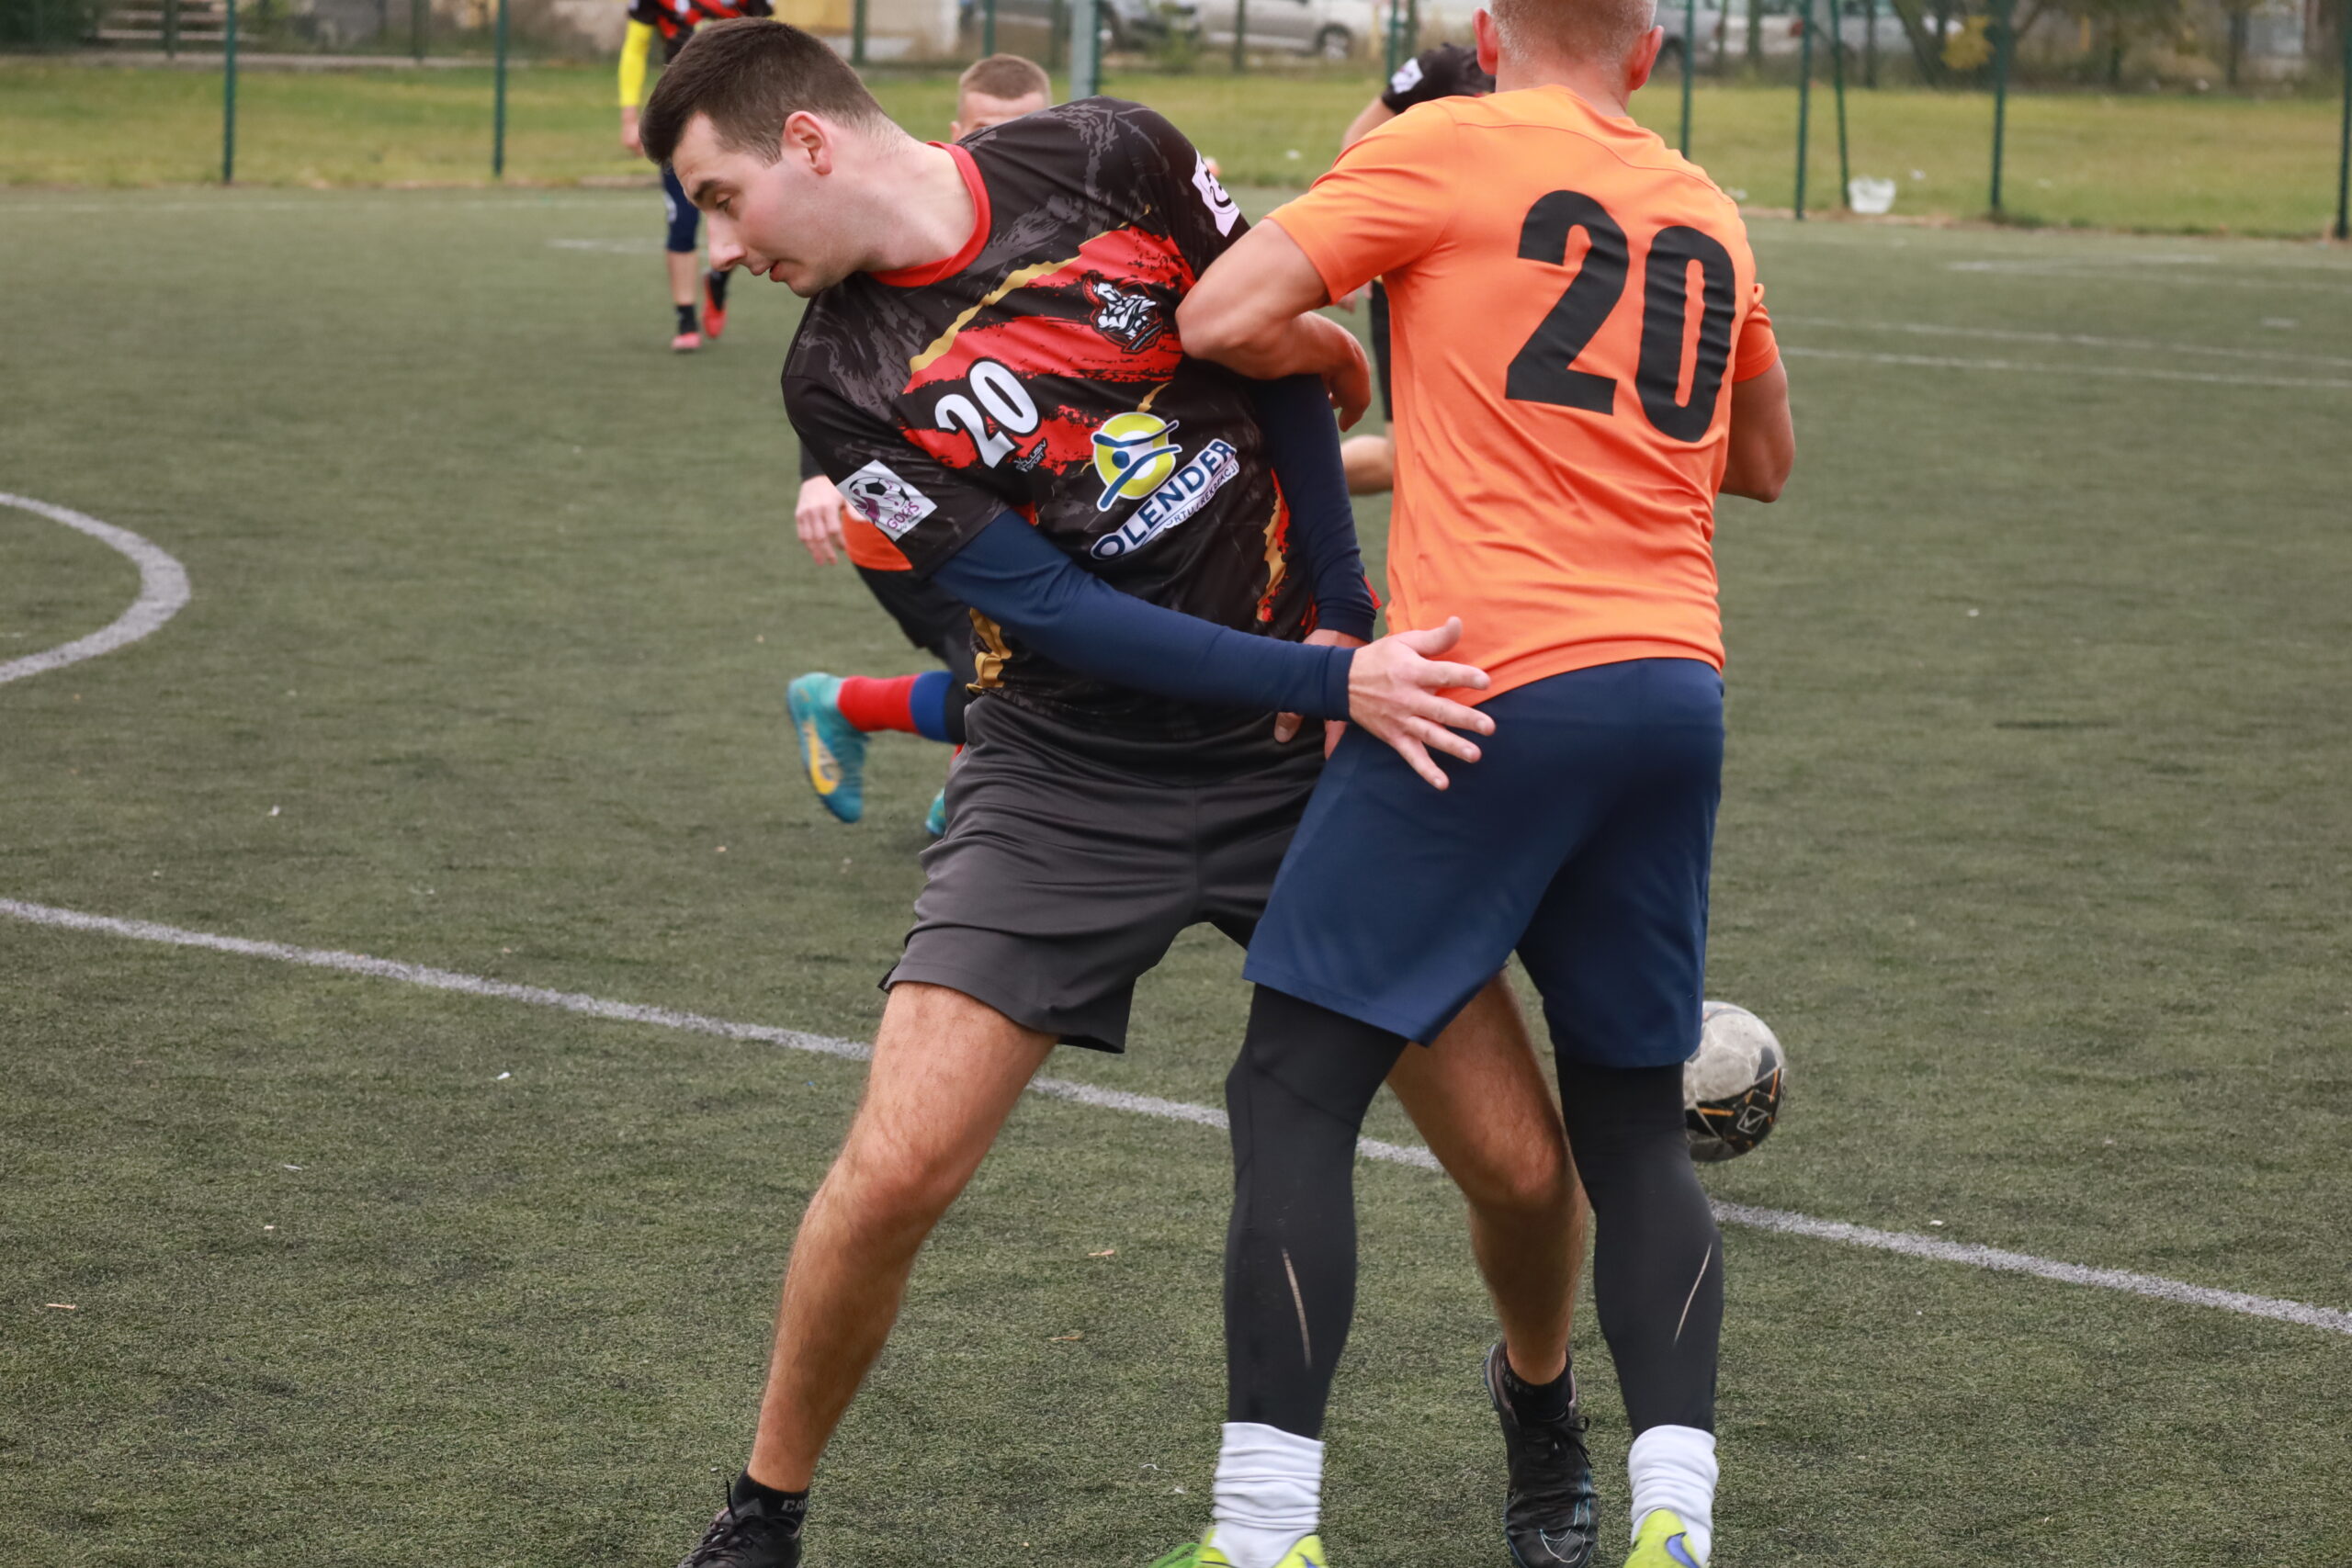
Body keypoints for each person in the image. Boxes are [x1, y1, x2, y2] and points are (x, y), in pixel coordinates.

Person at [634, 20, 1594, 1568]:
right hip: (1066, 774)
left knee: (1521, 1164)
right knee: (895, 1167)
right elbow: (1057, 612)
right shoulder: (839, 382)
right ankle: (763, 1510)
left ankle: (1540, 1403)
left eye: (726, 200)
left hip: (1304, 759)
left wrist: (1341, 619)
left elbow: (1281, 363)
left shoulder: (1111, 154)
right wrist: (1332, 678)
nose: (726, 247)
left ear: (806, 141)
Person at [1169, 0, 1796, 1560]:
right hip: (1672, 688)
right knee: (1634, 1130)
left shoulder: (1447, 141)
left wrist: (1345, 353)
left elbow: (1219, 315)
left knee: (1293, 1084)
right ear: (1648, 51)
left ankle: (1263, 1533)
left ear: (1486, 31)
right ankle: (1675, 1526)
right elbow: (1763, 459)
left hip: (1479, 685)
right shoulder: (1704, 204)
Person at [786, 52, 1056, 838]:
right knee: (1025, 682)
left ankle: (846, 708)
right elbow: (833, 354)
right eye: (987, 130)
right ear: (956, 131)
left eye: (1024, 129)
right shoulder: (907, 223)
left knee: (1050, 670)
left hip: (1003, 502)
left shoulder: (1053, 211)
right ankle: (972, 798)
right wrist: (817, 475)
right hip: (907, 522)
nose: (1005, 145)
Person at [1330, 40, 1494, 495]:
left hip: (1495, 285)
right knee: (1403, 458)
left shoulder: (1561, 81)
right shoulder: (1448, 66)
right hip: (1413, 281)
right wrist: (1355, 246)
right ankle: (1261, 481)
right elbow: (1359, 143)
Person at [619, 0, 775, 351]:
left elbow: (769, 46)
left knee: (744, 217)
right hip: (678, 116)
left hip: (734, 118)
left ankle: (718, 280)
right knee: (682, 220)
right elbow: (635, 48)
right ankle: (686, 318)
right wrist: (629, 117)